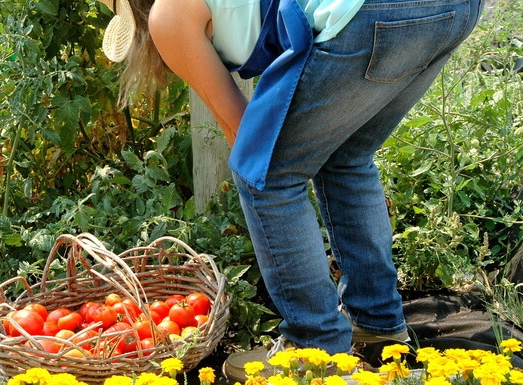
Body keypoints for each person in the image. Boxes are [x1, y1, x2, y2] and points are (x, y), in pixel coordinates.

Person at [97, 0, 485, 380]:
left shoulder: (168, 16)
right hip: (451, 10)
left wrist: (269, 173)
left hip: (370, 12)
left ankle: (316, 349)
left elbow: (243, 133)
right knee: (346, 157)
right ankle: (377, 324)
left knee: (263, 175)